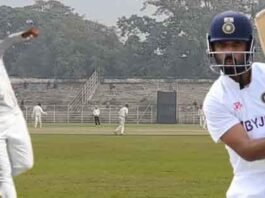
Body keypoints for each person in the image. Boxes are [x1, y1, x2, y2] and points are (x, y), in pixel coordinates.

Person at [203, 10, 265, 197]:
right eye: (221, 46)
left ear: (249, 46)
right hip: (251, 189)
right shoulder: (215, 100)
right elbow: (247, 150)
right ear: (212, 49)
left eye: (236, 44)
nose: (229, 53)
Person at [0, 27, 39, 197]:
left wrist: (23, 36)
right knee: (4, 175)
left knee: (25, 163)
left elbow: (7, 41)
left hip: (15, 117)